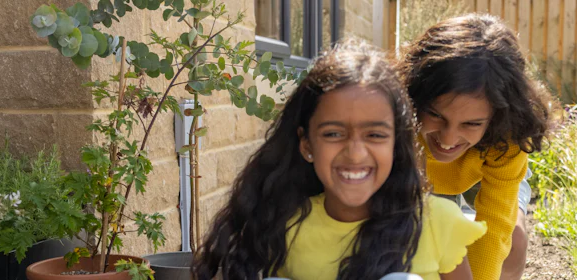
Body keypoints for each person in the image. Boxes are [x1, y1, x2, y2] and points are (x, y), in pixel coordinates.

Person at [193, 39, 487, 280]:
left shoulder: (436, 222)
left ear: (396, 145)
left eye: (375, 135)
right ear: (307, 145)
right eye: (333, 134)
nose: (356, 153)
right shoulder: (285, 224)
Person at [398, 14, 553, 280]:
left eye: (471, 123)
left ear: (497, 117)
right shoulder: (396, 120)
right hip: (420, 180)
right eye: (436, 115)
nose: (448, 139)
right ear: (417, 96)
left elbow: (493, 231)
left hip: (481, 169)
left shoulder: (508, 137)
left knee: (514, 241)